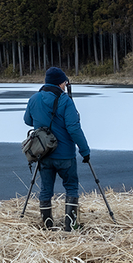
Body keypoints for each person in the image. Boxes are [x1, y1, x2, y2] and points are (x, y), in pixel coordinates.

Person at [23, 66, 91, 231]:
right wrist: (85, 151)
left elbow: (27, 120)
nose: (64, 85)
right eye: (63, 82)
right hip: (65, 154)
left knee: (46, 188)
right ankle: (71, 226)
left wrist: (42, 119)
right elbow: (73, 128)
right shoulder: (65, 100)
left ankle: (47, 226)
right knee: (71, 186)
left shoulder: (34, 99)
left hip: (44, 153)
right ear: (60, 83)